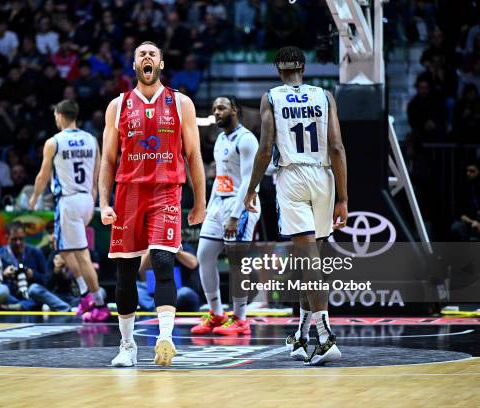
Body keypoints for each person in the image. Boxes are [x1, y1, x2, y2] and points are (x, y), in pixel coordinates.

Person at [99, 41, 206, 367]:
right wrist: (103, 202)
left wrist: (200, 202)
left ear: (160, 64)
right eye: (141, 54)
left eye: (152, 54)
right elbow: (107, 160)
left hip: (165, 192)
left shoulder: (180, 103)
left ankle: (165, 338)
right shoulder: (117, 106)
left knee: (162, 261)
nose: (147, 58)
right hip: (127, 193)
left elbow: (194, 156)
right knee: (126, 272)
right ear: (134, 65)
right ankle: (128, 345)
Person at [244, 46, 348, 366]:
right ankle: (303, 335)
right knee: (308, 260)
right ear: (303, 67)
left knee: (308, 259)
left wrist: (250, 189)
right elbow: (336, 147)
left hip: (292, 176)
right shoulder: (325, 95)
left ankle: (325, 336)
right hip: (324, 176)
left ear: (278, 70)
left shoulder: (272, 97)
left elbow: (264, 149)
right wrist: (343, 197)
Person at [29, 99, 110, 322]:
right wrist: (96, 198)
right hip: (86, 199)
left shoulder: (54, 142)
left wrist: (34, 197)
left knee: (82, 254)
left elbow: (43, 176)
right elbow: (99, 171)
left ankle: (99, 303)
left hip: (68, 200)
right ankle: (85, 294)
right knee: (63, 248)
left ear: (60, 115)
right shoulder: (91, 139)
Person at [191, 96, 261, 336]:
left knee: (236, 262)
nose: (216, 112)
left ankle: (241, 319)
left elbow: (249, 181)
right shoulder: (221, 138)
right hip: (219, 202)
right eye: (213, 108)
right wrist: (207, 207)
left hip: (242, 205)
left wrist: (235, 215)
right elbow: (219, 178)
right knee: (204, 255)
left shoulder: (247, 139)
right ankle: (217, 313)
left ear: (235, 110)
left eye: (221, 107)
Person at [0, 221, 70, 311]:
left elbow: (46, 281)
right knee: (1, 290)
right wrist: (4, 274)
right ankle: (22, 306)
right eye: (14, 239)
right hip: (11, 296)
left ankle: (21, 306)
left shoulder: (36, 252)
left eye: (21, 239)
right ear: (7, 238)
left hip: (32, 295)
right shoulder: (0, 254)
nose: (18, 243)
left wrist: (33, 274)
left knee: (35, 290)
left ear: (25, 236)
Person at [451, 161, 480, 241]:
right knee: (456, 227)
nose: (468, 173)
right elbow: (461, 214)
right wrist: (473, 222)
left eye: (472, 171)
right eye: (467, 171)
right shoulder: (463, 189)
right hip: (469, 221)